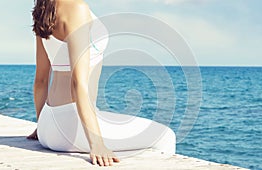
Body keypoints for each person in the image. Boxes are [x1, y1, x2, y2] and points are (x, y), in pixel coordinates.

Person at [27, 0, 176, 167]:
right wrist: (96, 144)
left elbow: (41, 80)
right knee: (165, 136)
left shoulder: (45, 8)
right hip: (70, 127)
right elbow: (78, 83)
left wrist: (42, 127)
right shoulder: (77, 9)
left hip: (48, 122)